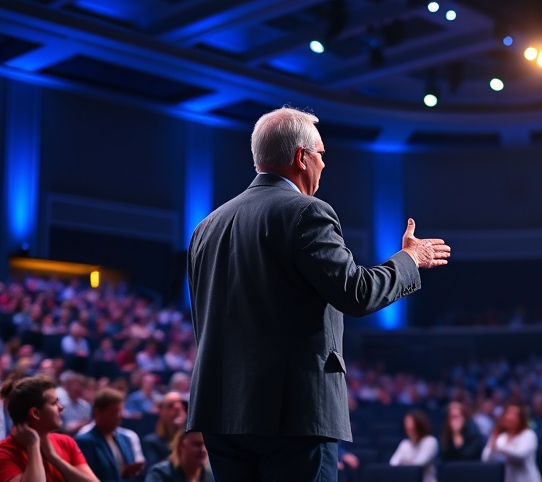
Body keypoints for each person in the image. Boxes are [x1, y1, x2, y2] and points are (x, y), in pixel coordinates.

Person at [186, 107, 451, 482]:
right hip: (293, 415)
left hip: (220, 412)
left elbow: (202, 319)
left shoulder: (205, 227)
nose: (324, 165)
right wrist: (409, 259)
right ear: (301, 157)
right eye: (321, 154)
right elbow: (356, 293)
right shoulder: (306, 212)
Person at [0, 374, 99, 482]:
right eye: (54, 403)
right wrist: (33, 446)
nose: (61, 408)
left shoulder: (65, 442)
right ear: (35, 413)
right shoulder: (4, 453)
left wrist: (54, 458)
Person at [75, 388, 143, 481]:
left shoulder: (126, 438)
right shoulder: (84, 442)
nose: (119, 416)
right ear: (98, 412)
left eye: (120, 411)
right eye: (114, 412)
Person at [482, 404, 542, 482]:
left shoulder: (529, 435)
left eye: (514, 414)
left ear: (521, 418)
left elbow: (520, 455)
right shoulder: (502, 438)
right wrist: (493, 439)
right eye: (507, 414)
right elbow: (486, 458)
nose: (509, 417)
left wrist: (500, 449)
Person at [145, 431, 215, 482]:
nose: (203, 450)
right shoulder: (160, 474)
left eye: (206, 445)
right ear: (181, 446)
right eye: (197, 444)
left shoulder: (211, 476)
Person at [389, 410, 439, 482]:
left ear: (419, 424)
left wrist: (403, 463)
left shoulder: (430, 441)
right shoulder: (404, 444)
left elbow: (418, 465)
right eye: (406, 423)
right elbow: (392, 464)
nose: (407, 426)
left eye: (410, 422)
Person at [142, 392, 186, 469]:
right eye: (170, 405)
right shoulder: (151, 442)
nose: (177, 407)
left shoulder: (194, 440)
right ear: (161, 411)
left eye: (181, 404)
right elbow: (153, 472)